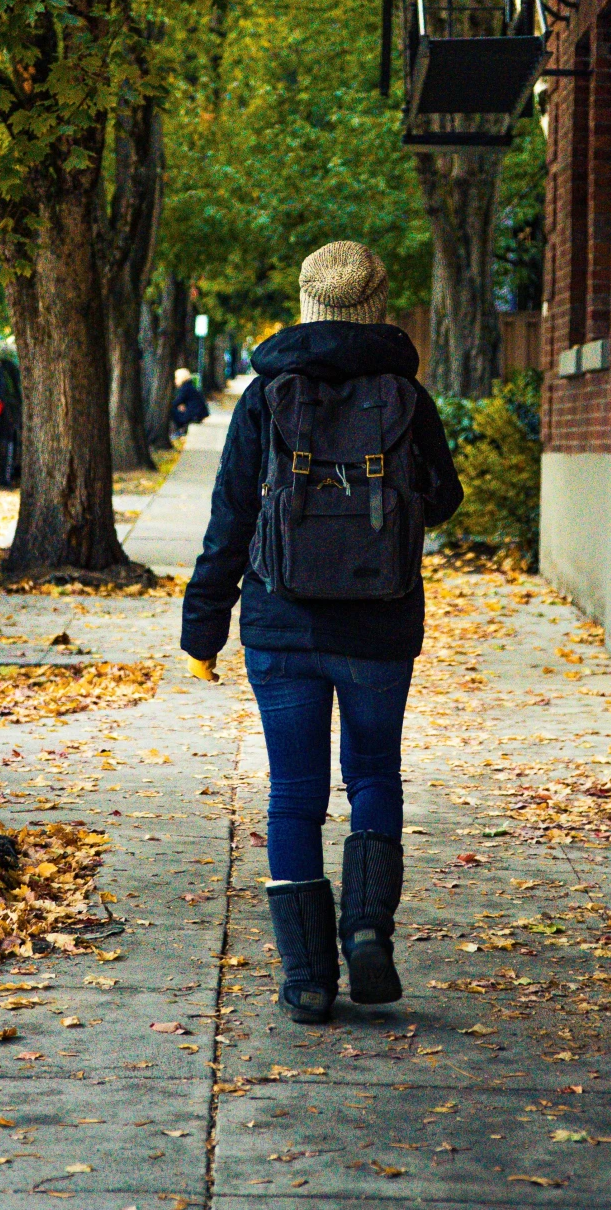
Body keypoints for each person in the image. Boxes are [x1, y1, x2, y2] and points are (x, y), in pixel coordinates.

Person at [180, 240, 462, 1023]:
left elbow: (230, 518)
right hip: (379, 622)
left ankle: (307, 978)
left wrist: (203, 626)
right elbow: (443, 496)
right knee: (373, 774)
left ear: (307, 304)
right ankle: (368, 928)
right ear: (375, 306)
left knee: (294, 795)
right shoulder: (406, 398)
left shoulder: (266, 398)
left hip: (281, 623)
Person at [169, 367, 210, 437]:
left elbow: (178, 401)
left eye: (176, 378)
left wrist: (170, 405)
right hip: (198, 412)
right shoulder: (189, 386)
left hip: (195, 414)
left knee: (172, 411)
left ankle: (179, 431)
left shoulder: (185, 388)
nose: (175, 381)